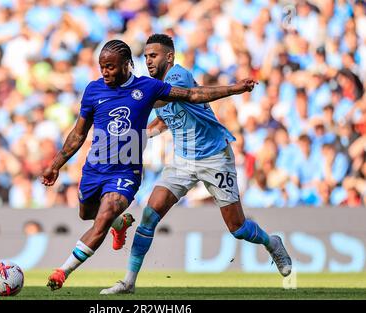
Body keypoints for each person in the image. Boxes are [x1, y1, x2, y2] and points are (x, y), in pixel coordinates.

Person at [41, 39, 257, 291]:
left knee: (104, 216)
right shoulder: (93, 90)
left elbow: (191, 95)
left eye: (110, 66)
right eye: (102, 67)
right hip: (95, 168)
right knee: (87, 214)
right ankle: (120, 224)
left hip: (125, 171)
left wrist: (234, 89)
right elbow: (78, 133)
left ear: (127, 65)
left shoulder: (148, 88)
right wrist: (56, 164)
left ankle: (62, 271)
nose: (106, 72)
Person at [101, 34, 292, 295]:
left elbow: (189, 96)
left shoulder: (177, 76)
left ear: (169, 56)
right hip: (183, 159)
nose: (148, 60)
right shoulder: (155, 87)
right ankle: (129, 281)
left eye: (153, 55)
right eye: (145, 56)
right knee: (149, 214)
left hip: (215, 156)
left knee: (238, 228)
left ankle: (272, 242)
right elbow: (167, 117)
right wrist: (144, 134)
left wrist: (234, 88)